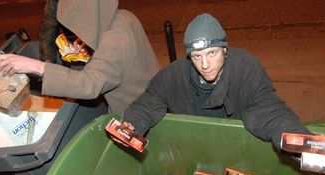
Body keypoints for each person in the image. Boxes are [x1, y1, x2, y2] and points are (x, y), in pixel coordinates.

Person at [121, 13, 311, 150]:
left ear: (225, 50)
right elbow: (147, 104)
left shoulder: (245, 68)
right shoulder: (175, 75)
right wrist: (130, 125)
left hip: (240, 151)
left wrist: (304, 144)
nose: (205, 64)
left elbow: (271, 112)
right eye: (197, 56)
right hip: (194, 150)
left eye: (212, 53)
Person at [0, 0, 160, 116]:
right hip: (152, 101)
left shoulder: (115, 40)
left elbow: (91, 84)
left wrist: (37, 66)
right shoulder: (123, 17)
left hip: (136, 116)